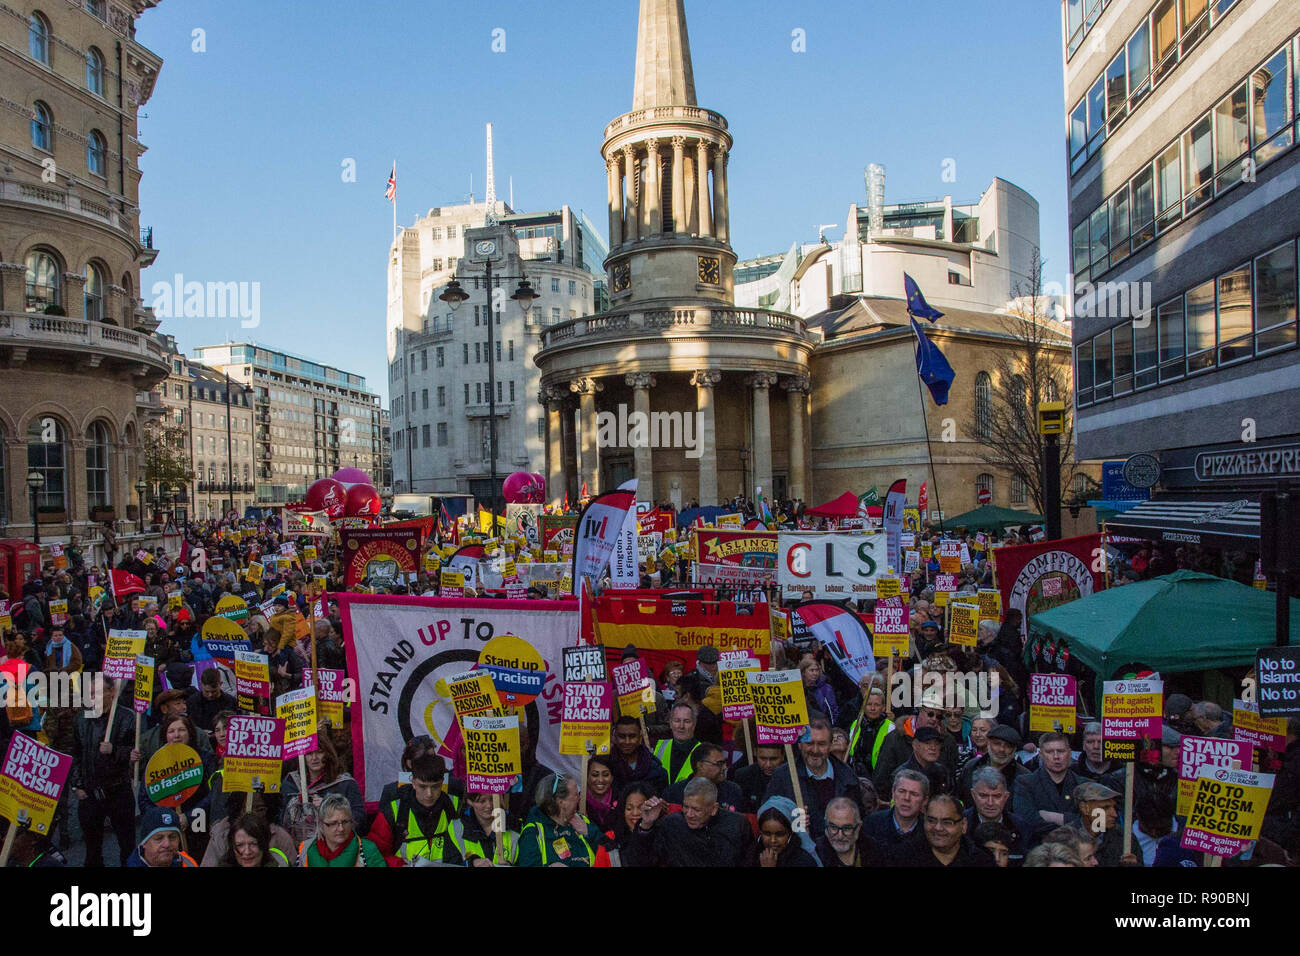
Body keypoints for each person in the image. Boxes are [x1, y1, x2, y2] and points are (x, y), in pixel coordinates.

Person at [71, 677, 136, 867]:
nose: (92, 698)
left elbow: (134, 751)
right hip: (90, 792)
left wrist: (114, 750)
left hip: (118, 790)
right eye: (90, 693)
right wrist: (77, 785)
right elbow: (75, 753)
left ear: (112, 693)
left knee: (127, 845)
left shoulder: (127, 717)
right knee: (92, 849)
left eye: (97, 693)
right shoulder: (81, 719)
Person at [762, 719, 861, 839]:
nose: (815, 750)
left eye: (821, 744)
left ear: (830, 745)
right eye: (809, 743)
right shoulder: (783, 776)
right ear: (799, 745)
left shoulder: (847, 776)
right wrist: (790, 820)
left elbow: (858, 820)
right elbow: (766, 816)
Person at [627, 778, 749, 867]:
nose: (689, 814)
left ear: (714, 809)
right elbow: (641, 862)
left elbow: (749, 861)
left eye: (696, 809)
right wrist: (646, 825)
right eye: (685, 807)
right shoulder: (672, 824)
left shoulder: (737, 824)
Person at [367, 754, 464, 866]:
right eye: (423, 786)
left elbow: (471, 847)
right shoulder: (393, 811)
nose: (429, 794)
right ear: (413, 782)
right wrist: (399, 864)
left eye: (435, 787)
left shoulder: (457, 807)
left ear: (442, 782)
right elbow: (374, 855)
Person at [872, 690, 958, 794]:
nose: (934, 719)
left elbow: (951, 779)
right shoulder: (895, 738)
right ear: (918, 712)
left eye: (938, 716)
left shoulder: (948, 741)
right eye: (930, 714)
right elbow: (881, 779)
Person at [281, 735, 365, 840]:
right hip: (298, 845)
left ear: (328, 754)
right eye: (309, 753)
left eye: (319, 752)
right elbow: (281, 817)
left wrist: (330, 808)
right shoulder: (291, 782)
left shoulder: (345, 783)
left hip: (335, 844)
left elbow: (359, 817)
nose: (314, 758)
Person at [518, 772, 604, 867]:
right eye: (576, 794)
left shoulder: (583, 821)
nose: (579, 798)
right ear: (561, 802)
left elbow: (609, 854)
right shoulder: (533, 832)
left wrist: (590, 832)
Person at [894, 793, 993, 867]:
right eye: (931, 821)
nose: (938, 828)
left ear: (963, 825)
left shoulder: (981, 861)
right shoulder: (902, 858)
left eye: (947, 822)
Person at [1012, 731, 1080, 829]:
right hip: (1039, 842)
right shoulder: (1025, 783)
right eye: (1050, 752)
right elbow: (1026, 820)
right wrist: (1074, 820)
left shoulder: (1084, 784)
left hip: (1077, 843)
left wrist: (1056, 817)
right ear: (1041, 754)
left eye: (1061, 751)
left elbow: (1096, 823)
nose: (1056, 757)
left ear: (1069, 753)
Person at [965, 766, 1032, 865]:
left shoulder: (1021, 827)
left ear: (1006, 797)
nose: (990, 802)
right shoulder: (961, 825)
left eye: (997, 796)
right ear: (973, 795)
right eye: (983, 796)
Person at [299, 792, 386, 867]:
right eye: (333, 823)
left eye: (345, 822)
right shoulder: (306, 849)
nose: (341, 829)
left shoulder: (367, 850)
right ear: (321, 824)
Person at [1074, 780, 1141, 866]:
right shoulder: (1065, 839)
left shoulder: (1125, 839)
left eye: (1114, 807)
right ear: (1084, 808)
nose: (1114, 814)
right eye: (1105, 808)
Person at [958, 723, 1027, 807]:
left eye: (1008, 746)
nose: (1002, 749)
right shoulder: (971, 767)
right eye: (997, 744)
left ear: (1014, 749)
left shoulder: (1023, 776)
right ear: (988, 743)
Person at [662, 742, 743, 810]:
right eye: (719, 764)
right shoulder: (673, 794)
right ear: (700, 765)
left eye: (725, 763)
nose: (725, 768)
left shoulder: (733, 791)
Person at [863, 768, 929, 850]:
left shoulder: (929, 832)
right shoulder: (871, 824)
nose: (907, 798)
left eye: (914, 794)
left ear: (925, 800)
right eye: (902, 791)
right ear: (893, 793)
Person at [449, 791, 520, 866]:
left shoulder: (515, 826)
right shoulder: (455, 828)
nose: (489, 805)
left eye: (493, 799)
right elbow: (448, 863)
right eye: (482, 801)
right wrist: (470, 863)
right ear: (469, 801)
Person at [747, 795, 819, 867]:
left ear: (790, 833)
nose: (773, 840)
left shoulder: (803, 861)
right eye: (767, 834)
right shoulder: (752, 856)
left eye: (779, 834)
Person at [815, 796, 883, 868]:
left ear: (858, 827)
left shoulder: (875, 851)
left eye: (846, 828)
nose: (840, 836)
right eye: (833, 827)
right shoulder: (816, 854)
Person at [608, 716, 669, 795]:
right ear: (615, 737)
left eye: (632, 736)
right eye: (622, 736)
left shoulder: (656, 770)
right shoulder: (607, 767)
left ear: (640, 738)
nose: (627, 742)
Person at [846, 686, 894, 777]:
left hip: (879, 776)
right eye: (869, 704)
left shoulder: (890, 727)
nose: (872, 708)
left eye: (877, 705)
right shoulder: (855, 724)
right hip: (855, 774)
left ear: (883, 708)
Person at [652, 701, 704, 785]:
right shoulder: (659, 746)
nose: (681, 726)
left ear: (694, 725)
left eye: (687, 721)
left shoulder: (704, 752)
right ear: (670, 724)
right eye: (677, 721)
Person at [126, 806, 197, 868]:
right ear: (144, 843)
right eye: (159, 838)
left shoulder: (187, 862)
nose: (167, 844)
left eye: (172, 837)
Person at [217, 812, 290, 867]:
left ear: (264, 844)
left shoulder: (280, 863)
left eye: (253, 844)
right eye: (240, 845)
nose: (247, 852)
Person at [731, 742, 784, 813]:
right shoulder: (744, 775)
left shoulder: (792, 776)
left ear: (783, 756)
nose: (768, 764)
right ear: (755, 753)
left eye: (773, 759)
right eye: (763, 758)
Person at [185, 668, 236, 733]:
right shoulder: (192, 702)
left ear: (220, 684)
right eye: (206, 691)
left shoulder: (231, 701)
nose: (210, 695)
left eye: (214, 691)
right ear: (201, 684)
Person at [582, 756, 622, 830]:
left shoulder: (622, 799)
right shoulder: (579, 801)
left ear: (612, 778)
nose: (600, 780)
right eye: (595, 775)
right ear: (586, 777)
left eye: (605, 775)